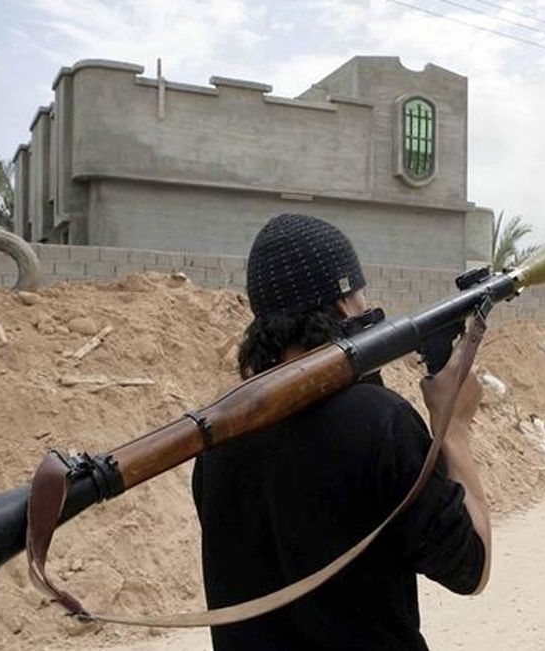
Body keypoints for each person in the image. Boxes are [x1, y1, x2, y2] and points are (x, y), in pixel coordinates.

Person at [193, 213, 492, 650]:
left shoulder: (217, 436)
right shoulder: (380, 421)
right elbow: (472, 568)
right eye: (360, 296)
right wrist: (454, 427)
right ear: (342, 307)